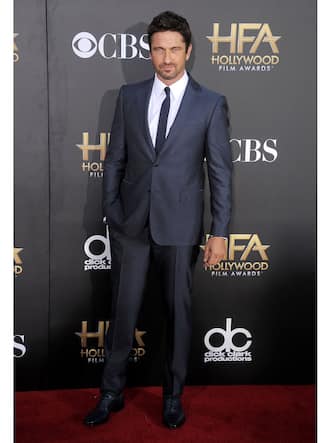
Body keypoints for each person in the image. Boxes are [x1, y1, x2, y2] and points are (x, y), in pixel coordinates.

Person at [84, 10, 232, 429]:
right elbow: (115, 159)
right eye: (158, 50)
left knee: (177, 313)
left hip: (180, 226)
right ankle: (110, 392)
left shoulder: (210, 103)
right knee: (123, 308)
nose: (166, 59)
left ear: (188, 51)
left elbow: (221, 172)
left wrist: (219, 233)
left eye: (174, 50)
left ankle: (172, 395)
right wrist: (111, 209)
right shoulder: (128, 97)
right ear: (149, 52)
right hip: (130, 224)